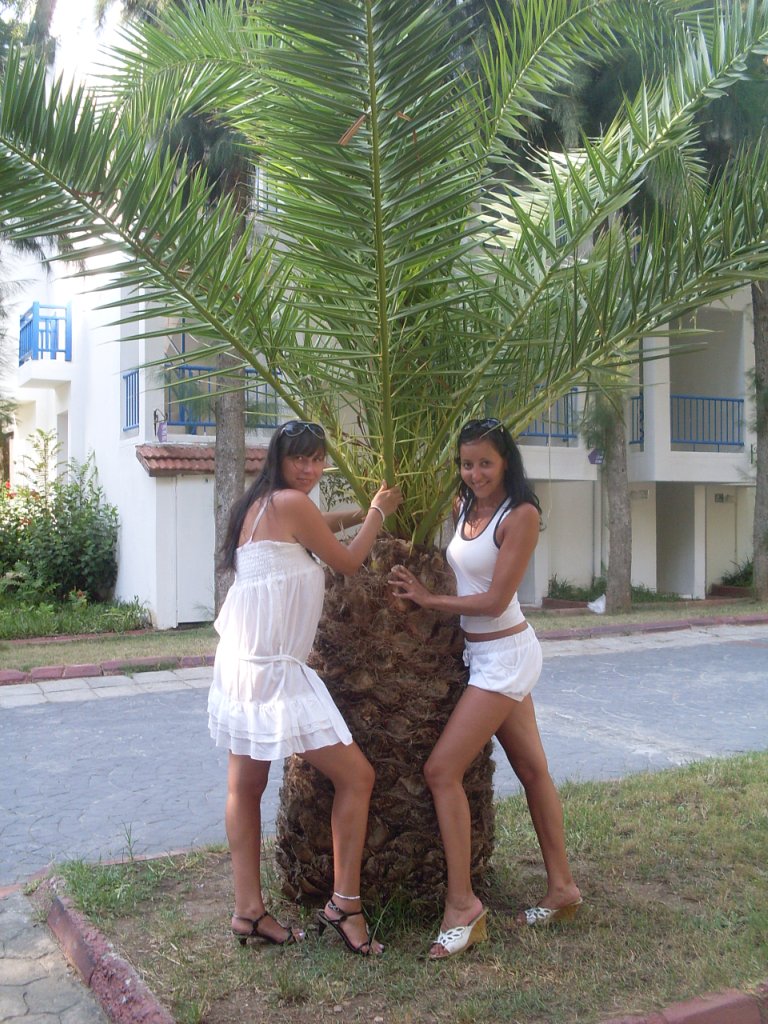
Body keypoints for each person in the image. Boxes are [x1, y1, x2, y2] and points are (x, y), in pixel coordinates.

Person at [389, 417, 581, 959]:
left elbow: (495, 599)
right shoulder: (464, 506)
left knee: (441, 770)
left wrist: (428, 600)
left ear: (506, 462)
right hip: (481, 655)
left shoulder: (520, 515)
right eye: (467, 463)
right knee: (533, 770)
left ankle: (462, 906)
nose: (475, 473)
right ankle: (563, 889)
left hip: (506, 655)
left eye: (485, 463)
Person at [208, 420, 402, 956]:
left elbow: (316, 526)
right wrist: (379, 512)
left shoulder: (259, 505)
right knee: (358, 777)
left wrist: (357, 514)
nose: (310, 469)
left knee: (244, 788)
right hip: (273, 671)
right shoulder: (292, 505)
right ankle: (345, 906)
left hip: (244, 665)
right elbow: (349, 561)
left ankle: (248, 912)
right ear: (279, 458)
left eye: (317, 460)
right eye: (300, 459)